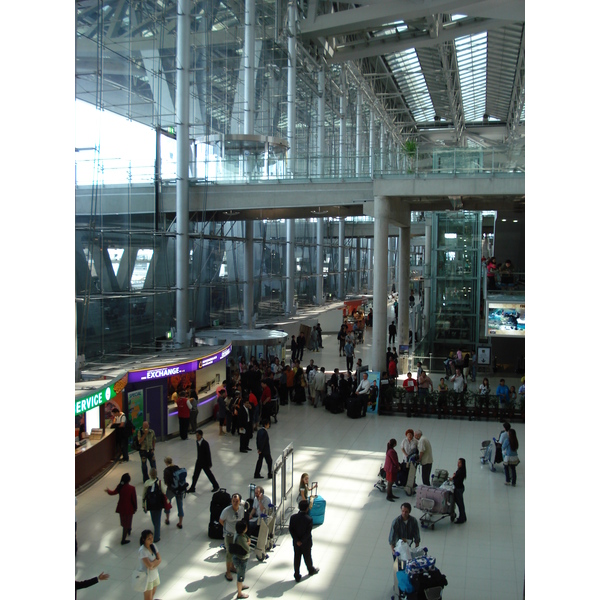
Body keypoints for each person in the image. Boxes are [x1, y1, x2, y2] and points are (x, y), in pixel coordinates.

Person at [289, 499, 320, 583]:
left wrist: (296, 540)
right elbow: (307, 533)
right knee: (307, 557)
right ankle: (310, 570)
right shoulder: (309, 519)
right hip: (306, 543)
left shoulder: (293, 517)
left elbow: (291, 530)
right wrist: (302, 541)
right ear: (307, 508)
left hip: (296, 543)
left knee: (297, 558)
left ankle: (297, 575)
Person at [104, 472, 137, 545]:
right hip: (129, 508)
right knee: (128, 521)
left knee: (123, 521)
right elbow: (134, 499)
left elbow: (113, 492)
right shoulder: (132, 488)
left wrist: (108, 491)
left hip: (121, 507)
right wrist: (135, 507)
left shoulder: (120, 486)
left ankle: (128, 529)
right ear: (129, 480)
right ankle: (123, 539)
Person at [220, 493, 245, 582]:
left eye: (237, 501)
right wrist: (227, 528)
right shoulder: (226, 511)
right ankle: (228, 572)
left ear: (239, 501)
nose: (235, 503)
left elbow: (241, 520)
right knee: (229, 553)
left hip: (237, 535)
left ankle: (232, 566)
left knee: (236, 552)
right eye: (233, 501)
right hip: (229, 535)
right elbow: (221, 520)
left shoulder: (241, 509)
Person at [137, 529, 161, 600]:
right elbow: (149, 566)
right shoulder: (142, 551)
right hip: (147, 578)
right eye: (149, 539)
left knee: (152, 594)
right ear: (144, 539)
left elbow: (160, 559)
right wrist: (155, 562)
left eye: (152, 538)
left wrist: (153, 563)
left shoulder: (153, 546)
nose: (151, 540)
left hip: (155, 575)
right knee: (148, 598)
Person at [142, 469, 165, 543]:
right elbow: (164, 492)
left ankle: (156, 528)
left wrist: (143, 505)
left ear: (149, 474)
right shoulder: (159, 482)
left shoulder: (147, 482)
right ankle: (157, 537)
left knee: (153, 517)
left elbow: (143, 495)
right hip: (158, 504)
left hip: (150, 504)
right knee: (158, 519)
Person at [163, 457, 185, 529]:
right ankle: (180, 522)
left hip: (171, 490)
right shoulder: (177, 467)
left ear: (166, 462)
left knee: (167, 502)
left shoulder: (166, 470)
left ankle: (167, 519)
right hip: (179, 489)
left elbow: (166, 482)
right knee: (180, 504)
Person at [231, 520, 251, 599]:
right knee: (240, 576)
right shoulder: (241, 538)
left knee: (241, 574)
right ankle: (239, 593)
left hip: (237, 557)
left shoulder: (238, 534)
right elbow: (247, 548)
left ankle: (241, 586)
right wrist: (248, 543)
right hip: (241, 559)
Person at [450, 458, 467, 524]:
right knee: (461, 504)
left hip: (458, 489)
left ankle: (461, 518)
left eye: (459, 463)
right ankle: (463, 517)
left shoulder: (460, 472)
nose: (458, 464)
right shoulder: (461, 471)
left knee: (460, 504)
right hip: (460, 488)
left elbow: (457, 481)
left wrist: (453, 478)